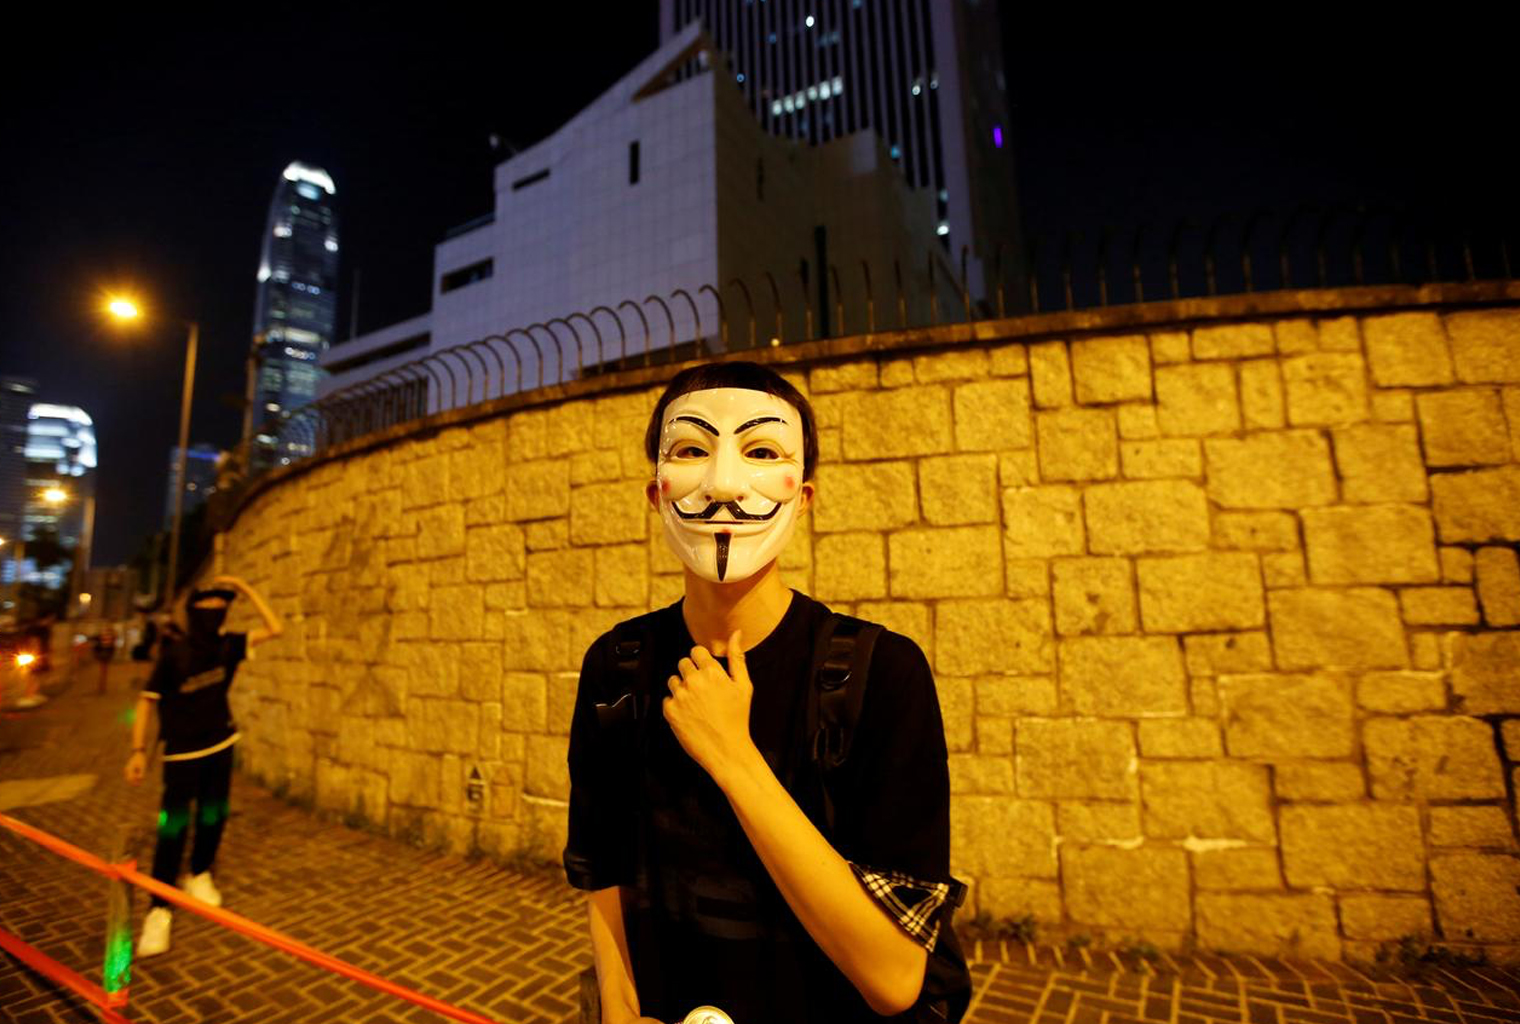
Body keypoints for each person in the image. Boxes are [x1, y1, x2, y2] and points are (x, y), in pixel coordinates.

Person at [564, 362, 970, 1022]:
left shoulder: (883, 675)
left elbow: (896, 979)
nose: (724, 484)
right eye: (692, 450)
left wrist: (732, 755)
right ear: (655, 491)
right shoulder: (616, 664)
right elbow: (603, 862)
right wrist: (617, 1004)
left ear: (804, 495)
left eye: (760, 451)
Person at [125, 574, 283, 957]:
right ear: (193, 612)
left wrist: (243, 588)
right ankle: (159, 908)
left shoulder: (229, 645)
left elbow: (275, 628)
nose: (214, 613)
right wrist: (137, 750)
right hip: (181, 752)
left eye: (221, 608)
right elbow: (147, 702)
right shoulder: (174, 655)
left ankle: (200, 872)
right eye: (207, 608)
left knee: (214, 814)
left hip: (221, 743)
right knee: (173, 826)